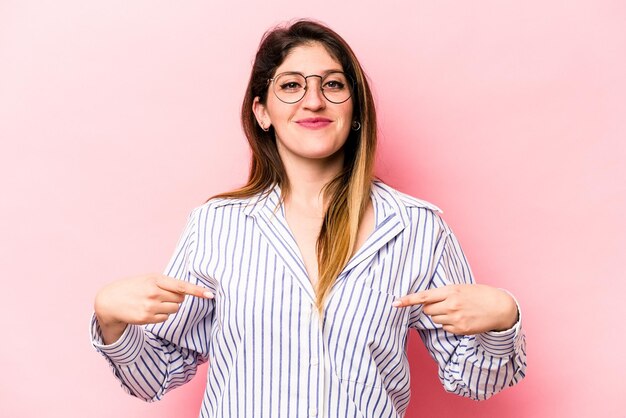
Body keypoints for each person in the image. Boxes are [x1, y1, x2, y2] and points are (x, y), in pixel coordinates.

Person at [91, 19, 526, 418]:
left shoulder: (416, 227)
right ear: (262, 112)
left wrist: (503, 318)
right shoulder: (215, 226)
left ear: (355, 110)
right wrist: (110, 319)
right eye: (292, 85)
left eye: (333, 84)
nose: (314, 100)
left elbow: (474, 380)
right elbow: (154, 377)